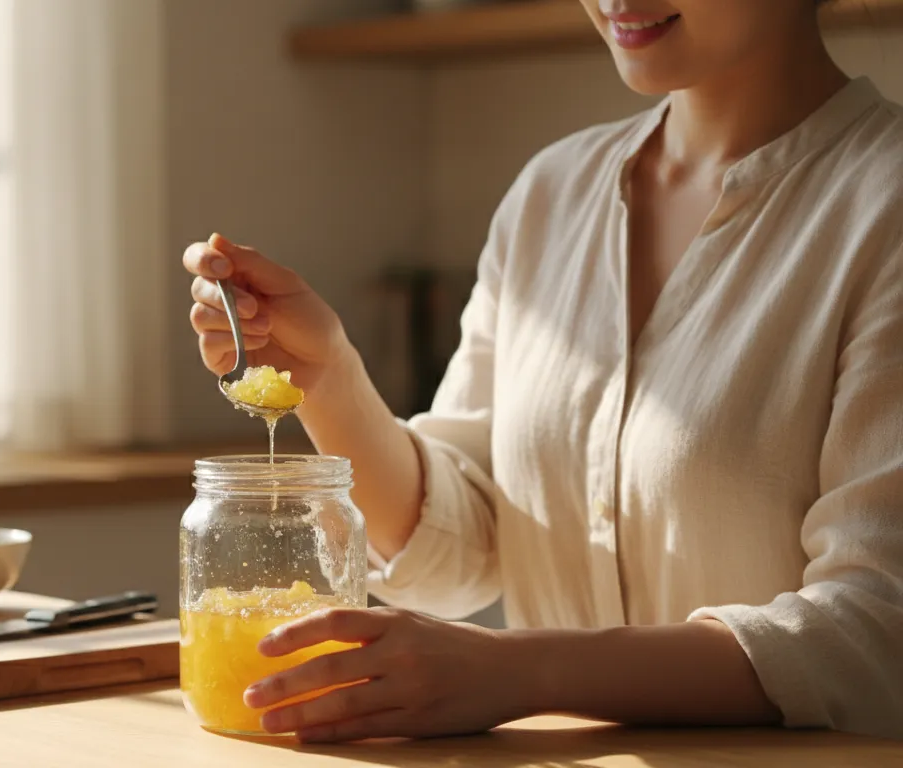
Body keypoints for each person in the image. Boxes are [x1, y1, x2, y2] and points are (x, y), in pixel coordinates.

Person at [183, 0, 903, 743]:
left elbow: (878, 631)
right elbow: (462, 546)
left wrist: (522, 671)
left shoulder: (886, 205)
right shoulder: (550, 195)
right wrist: (327, 376)